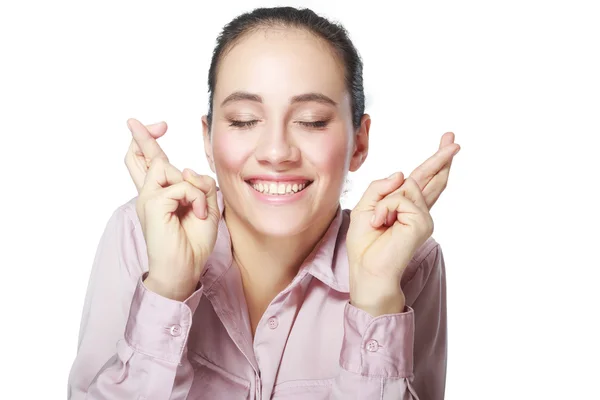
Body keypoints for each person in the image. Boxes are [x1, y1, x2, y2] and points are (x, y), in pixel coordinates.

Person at [68, 6, 460, 400]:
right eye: (242, 120)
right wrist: (167, 287)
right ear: (207, 139)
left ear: (360, 142)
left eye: (311, 121)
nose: (276, 152)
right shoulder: (142, 232)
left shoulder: (406, 261)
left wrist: (376, 303)